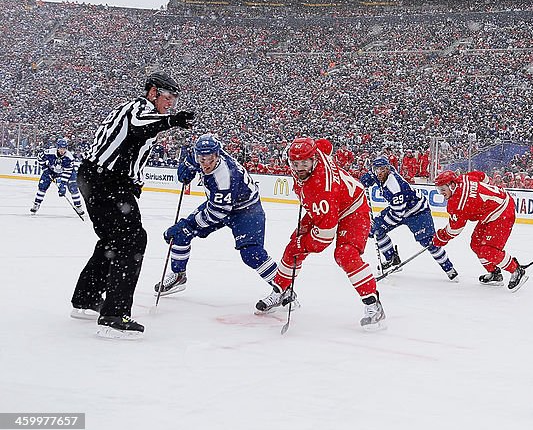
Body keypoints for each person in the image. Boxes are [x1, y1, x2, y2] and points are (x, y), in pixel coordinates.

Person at [70, 72, 195, 339]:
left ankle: (86, 296)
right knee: (132, 240)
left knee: (112, 240)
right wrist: (172, 121)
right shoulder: (139, 107)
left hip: (99, 178)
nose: (170, 104)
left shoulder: (141, 112)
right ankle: (114, 315)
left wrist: (133, 180)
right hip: (106, 180)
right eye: (168, 97)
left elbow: (133, 142)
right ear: (153, 93)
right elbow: (140, 125)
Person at [256, 136, 385, 330]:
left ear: (314, 160)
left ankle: (373, 304)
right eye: (296, 163)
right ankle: (282, 291)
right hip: (334, 203)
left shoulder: (320, 188)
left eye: (304, 163)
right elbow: (326, 144)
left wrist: (304, 244)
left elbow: (324, 237)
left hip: (353, 209)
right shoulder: (317, 152)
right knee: (293, 246)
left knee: (345, 254)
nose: (299, 168)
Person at [153, 133, 279, 296]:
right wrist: (187, 167)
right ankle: (178, 276)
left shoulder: (224, 176)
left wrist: (188, 225)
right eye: (202, 160)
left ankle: (283, 288)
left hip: (246, 210)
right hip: (220, 204)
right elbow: (188, 167)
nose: (205, 164)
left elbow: (218, 212)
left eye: (210, 160)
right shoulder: (201, 153)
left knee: (251, 253)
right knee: (179, 234)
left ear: (218, 155)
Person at [361, 156, 458, 281]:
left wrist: (382, 224)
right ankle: (392, 259)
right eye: (376, 169)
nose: (379, 172)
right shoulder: (381, 173)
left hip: (417, 212)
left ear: (388, 169)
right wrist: (365, 179)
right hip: (400, 209)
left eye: (382, 169)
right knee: (375, 230)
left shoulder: (395, 187)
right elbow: (371, 176)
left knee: (429, 242)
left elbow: (397, 215)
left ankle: (449, 268)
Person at [432, 170, 528, 292]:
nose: (441, 193)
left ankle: (516, 270)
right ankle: (495, 273)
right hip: (492, 211)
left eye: (442, 189)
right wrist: (487, 194)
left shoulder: (456, 203)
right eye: (439, 189)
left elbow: (454, 230)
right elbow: (482, 175)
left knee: (489, 250)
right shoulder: (464, 178)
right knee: (476, 244)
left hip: (502, 212)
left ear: (452, 185)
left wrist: (439, 238)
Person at [31, 137, 85, 217]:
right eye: (60, 148)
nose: (62, 150)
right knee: (42, 186)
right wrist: (45, 168)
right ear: (57, 147)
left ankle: (78, 206)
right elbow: (39, 158)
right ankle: (36, 204)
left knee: (73, 187)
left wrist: (62, 184)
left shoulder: (69, 157)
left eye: (64, 148)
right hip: (51, 170)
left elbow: (67, 172)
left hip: (65, 172)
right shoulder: (49, 152)